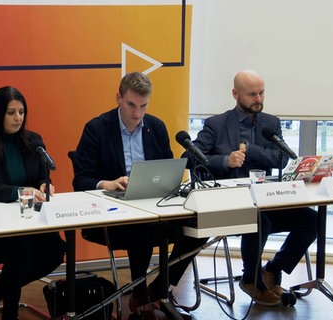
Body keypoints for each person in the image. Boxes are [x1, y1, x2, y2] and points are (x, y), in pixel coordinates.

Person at [72, 72, 204, 316]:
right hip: (114, 213)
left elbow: (165, 170)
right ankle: (139, 293)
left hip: (155, 204)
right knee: (142, 227)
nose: (137, 113)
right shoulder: (97, 129)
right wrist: (107, 184)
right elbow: (80, 180)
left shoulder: (156, 126)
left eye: (143, 106)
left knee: (202, 222)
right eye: (131, 105)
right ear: (118, 98)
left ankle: (160, 288)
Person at [189, 69, 317, 306]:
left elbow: (282, 158)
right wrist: (225, 160)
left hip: (267, 199)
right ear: (235, 94)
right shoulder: (216, 124)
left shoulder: (271, 123)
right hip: (231, 204)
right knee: (258, 221)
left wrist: (251, 150)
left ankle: (273, 269)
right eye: (252, 94)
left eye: (261, 93)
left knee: (311, 220)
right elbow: (191, 157)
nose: (258, 99)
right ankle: (251, 279)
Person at [0, 86, 66, 319]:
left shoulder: (33, 142)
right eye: (11, 112)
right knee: (22, 252)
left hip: (30, 220)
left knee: (56, 252)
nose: (18, 118)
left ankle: (1, 285)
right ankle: (10, 312)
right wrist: (19, 192)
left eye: (21, 112)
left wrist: (44, 185)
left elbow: (41, 175)